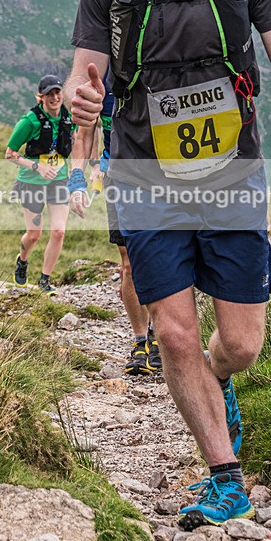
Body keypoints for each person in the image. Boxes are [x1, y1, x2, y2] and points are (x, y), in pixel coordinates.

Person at [64, 0, 271, 529]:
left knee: (237, 344)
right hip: (144, 171)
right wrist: (81, 104)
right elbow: (81, 76)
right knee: (175, 334)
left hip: (231, 172)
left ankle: (220, 383)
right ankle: (225, 479)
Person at [67, 85, 162, 375]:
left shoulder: (154, 70)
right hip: (117, 177)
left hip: (161, 174)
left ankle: (162, 335)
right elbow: (83, 135)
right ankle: (141, 341)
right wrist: (76, 181)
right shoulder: (102, 82)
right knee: (129, 262)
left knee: (163, 257)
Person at [5, 74, 74, 294]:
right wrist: (38, 167)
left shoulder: (68, 117)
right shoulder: (30, 121)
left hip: (59, 179)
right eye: (49, 94)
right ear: (41, 97)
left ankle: (45, 280)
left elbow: (77, 141)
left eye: (57, 92)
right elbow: (10, 155)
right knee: (34, 234)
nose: (55, 97)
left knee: (59, 232)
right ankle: (22, 260)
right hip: (31, 182)